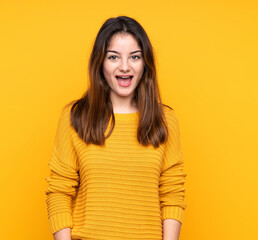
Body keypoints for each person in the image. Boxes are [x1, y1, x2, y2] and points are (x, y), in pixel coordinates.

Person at [45, 16, 187, 240]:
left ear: (145, 63)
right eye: (113, 57)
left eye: (135, 57)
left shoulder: (165, 120)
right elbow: (59, 192)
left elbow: (171, 194)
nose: (124, 67)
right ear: (100, 63)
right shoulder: (75, 117)